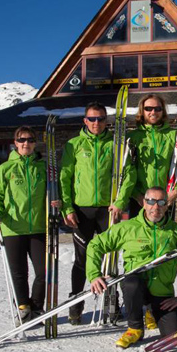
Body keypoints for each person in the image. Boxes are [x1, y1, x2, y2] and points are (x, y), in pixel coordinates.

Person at [86, 186, 177, 349]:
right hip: (136, 287)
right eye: (151, 201)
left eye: (161, 202)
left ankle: (151, 311)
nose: (156, 207)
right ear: (144, 203)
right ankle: (134, 328)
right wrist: (94, 275)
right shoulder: (128, 228)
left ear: (167, 205)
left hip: (162, 291)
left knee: (173, 334)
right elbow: (95, 245)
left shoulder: (175, 231)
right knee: (131, 283)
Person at [60, 102, 136, 324]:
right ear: (85, 121)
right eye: (92, 119)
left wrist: (120, 201)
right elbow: (65, 177)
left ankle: (112, 303)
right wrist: (67, 207)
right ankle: (76, 305)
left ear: (106, 121)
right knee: (82, 259)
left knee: (109, 258)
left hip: (107, 209)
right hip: (81, 210)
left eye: (101, 119)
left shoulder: (116, 145)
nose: (96, 123)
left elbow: (128, 174)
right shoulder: (74, 145)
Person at [0, 126, 50, 323]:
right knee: (19, 272)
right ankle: (23, 307)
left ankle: (37, 307)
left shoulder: (42, 167)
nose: (27, 143)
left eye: (31, 140)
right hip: (13, 227)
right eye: (22, 140)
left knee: (43, 271)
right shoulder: (5, 169)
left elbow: (52, 194)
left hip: (39, 227)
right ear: (15, 143)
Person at [128, 94, 177, 218]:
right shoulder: (132, 137)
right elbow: (126, 170)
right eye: (148, 108)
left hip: (165, 199)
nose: (153, 112)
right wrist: (137, 195)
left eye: (158, 109)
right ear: (142, 111)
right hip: (140, 199)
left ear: (163, 111)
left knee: (166, 235)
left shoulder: (175, 136)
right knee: (138, 236)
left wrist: (175, 191)